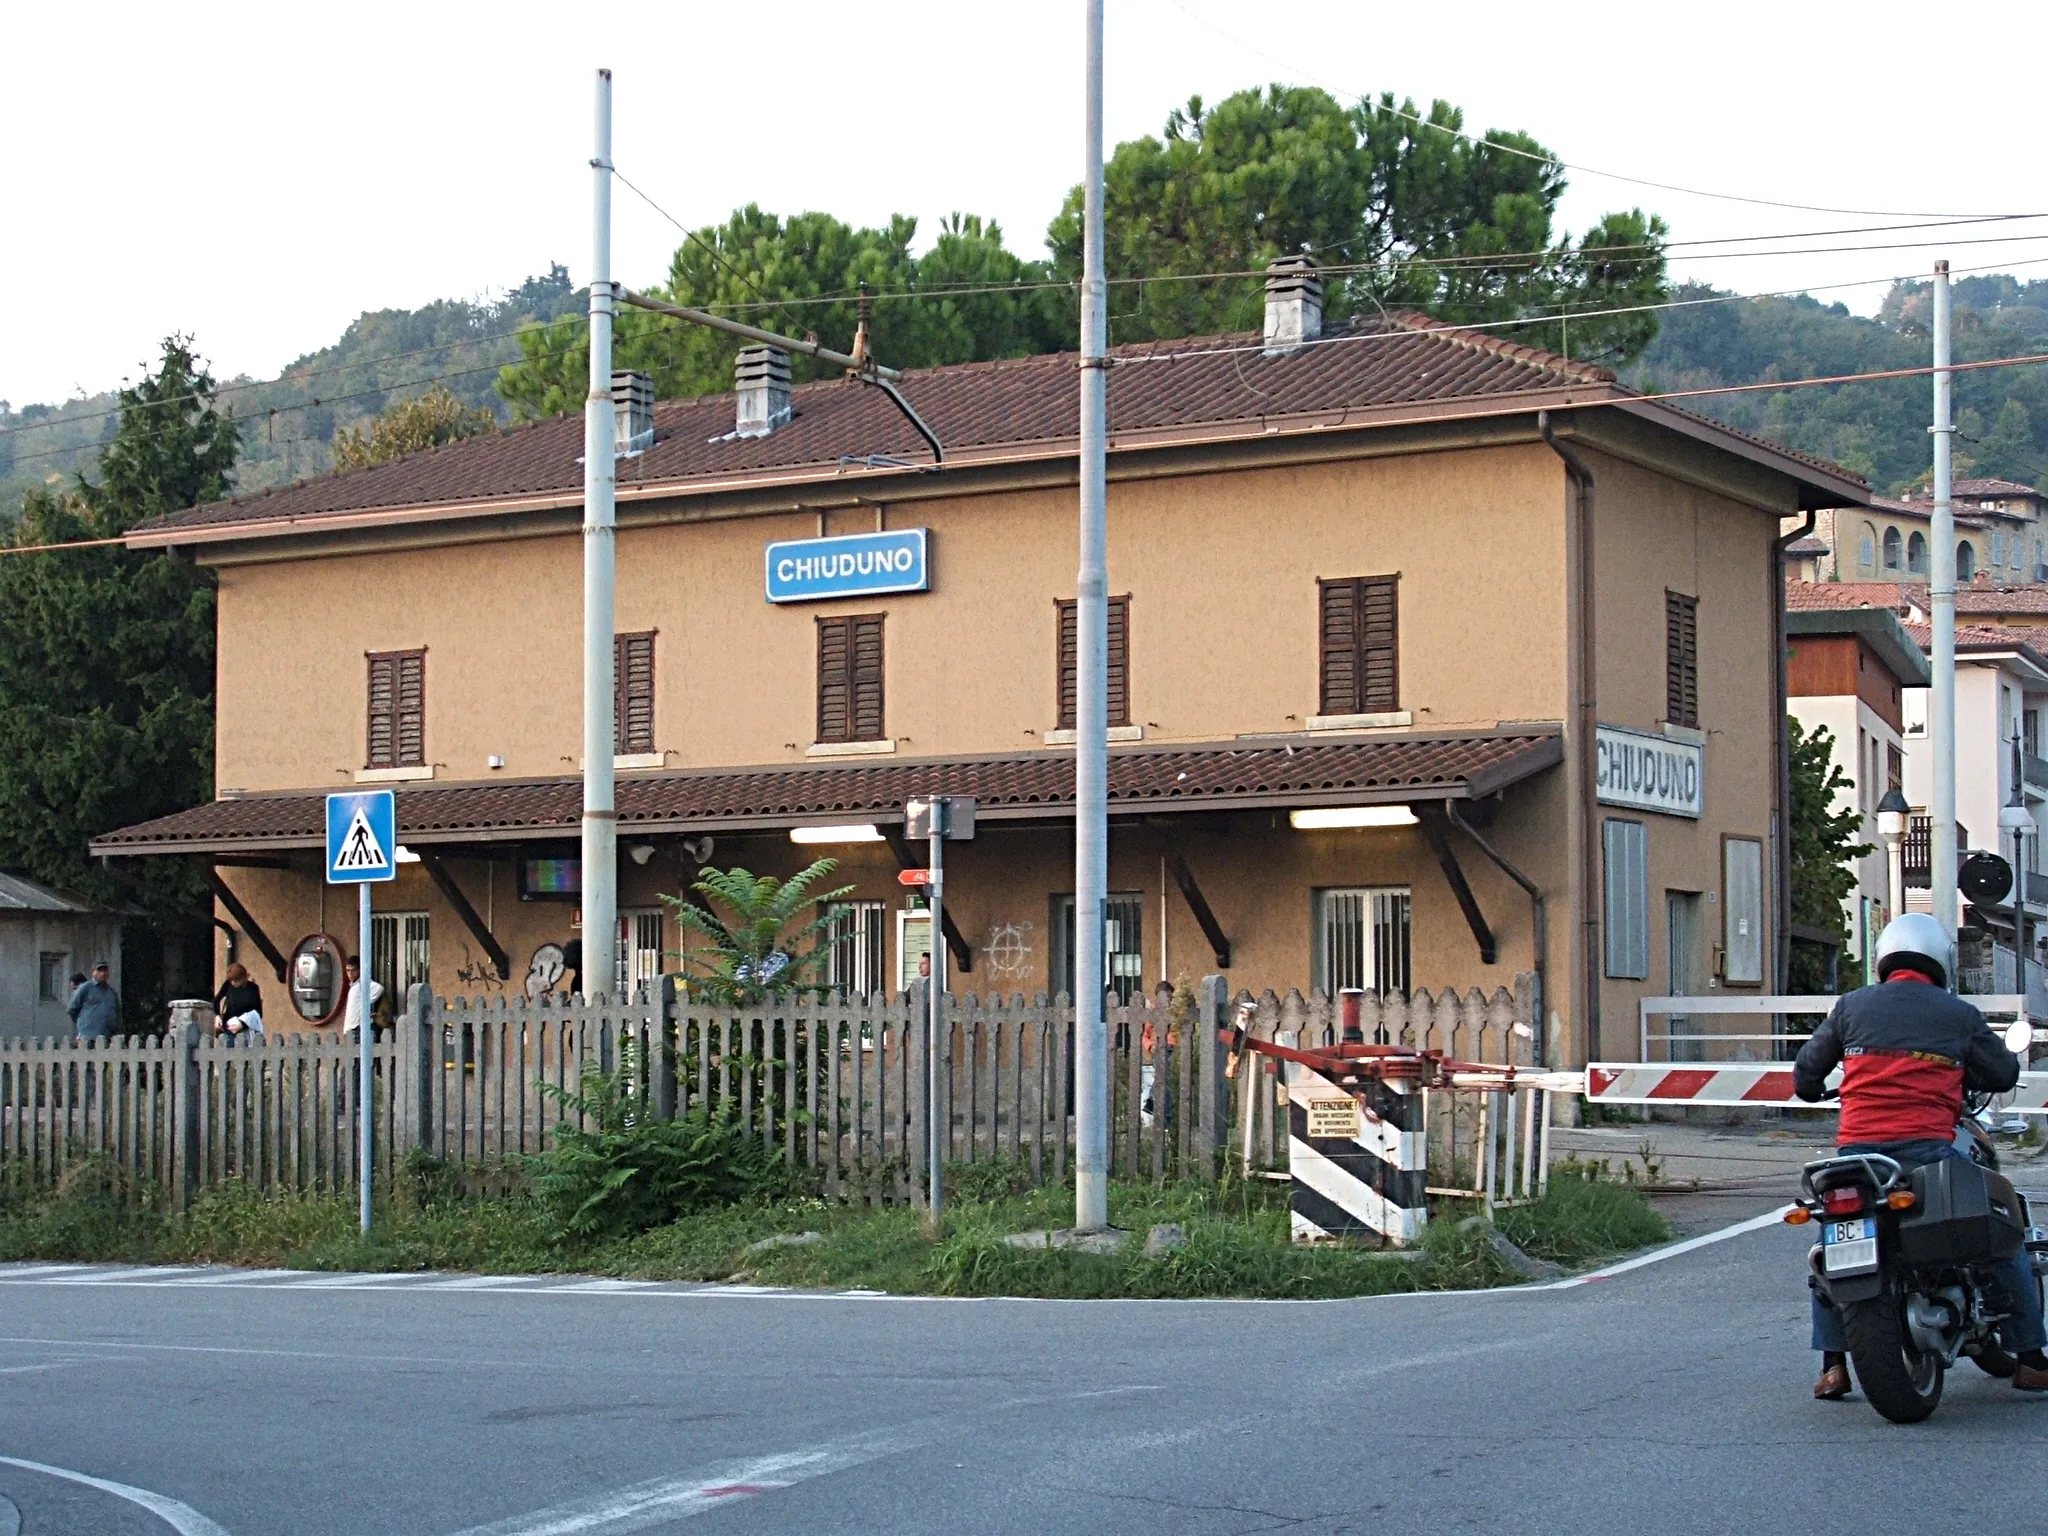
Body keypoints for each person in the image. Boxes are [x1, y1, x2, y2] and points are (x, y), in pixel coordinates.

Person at [1794, 912, 2047, 1398]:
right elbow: (2000, 1074)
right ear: (1940, 962)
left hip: (1857, 1157)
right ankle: (2032, 1358)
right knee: (2000, 1231)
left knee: (1832, 1244)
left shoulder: (1850, 1007)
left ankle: (1833, 1367)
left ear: (1885, 959)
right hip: (1928, 1150)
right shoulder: (1956, 1014)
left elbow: (1806, 1076)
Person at [66, 960, 119, 1042]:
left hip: (107, 1036)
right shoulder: (86, 988)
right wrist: (84, 1021)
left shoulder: (111, 992)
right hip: (87, 1036)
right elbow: (72, 1008)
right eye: (100, 970)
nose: (103, 973)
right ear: (93, 972)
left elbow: (117, 1012)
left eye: (105, 970)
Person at [213, 961, 264, 1041]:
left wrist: (242, 1024)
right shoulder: (228, 985)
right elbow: (216, 1000)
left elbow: (258, 1013)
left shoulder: (252, 988)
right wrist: (217, 1016)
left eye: (236, 980)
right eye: (231, 981)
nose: (233, 983)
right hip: (229, 1029)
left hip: (245, 1029)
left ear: (243, 977)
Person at [340, 954, 385, 1036]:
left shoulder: (363, 983)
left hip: (358, 1027)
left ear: (359, 970)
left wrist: (366, 1003)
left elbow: (379, 988)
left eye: (353, 970)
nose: (350, 974)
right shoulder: (354, 986)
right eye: (348, 971)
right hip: (351, 1028)